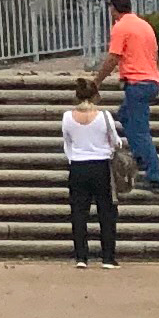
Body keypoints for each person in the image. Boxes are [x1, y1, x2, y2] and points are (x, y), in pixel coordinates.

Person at [96, 0, 159, 193]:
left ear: (113, 8)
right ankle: (140, 156)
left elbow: (113, 58)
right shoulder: (144, 25)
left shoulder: (121, 27)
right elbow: (155, 55)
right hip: (151, 80)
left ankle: (155, 177)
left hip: (138, 84)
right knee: (125, 116)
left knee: (140, 131)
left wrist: (96, 81)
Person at [63, 75, 120, 269]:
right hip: (101, 165)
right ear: (95, 95)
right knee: (106, 211)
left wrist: (73, 158)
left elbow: (67, 143)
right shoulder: (104, 116)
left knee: (79, 212)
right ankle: (108, 257)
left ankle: (81, 256)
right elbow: (116, 141)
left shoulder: (67, 117)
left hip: (78, 166)